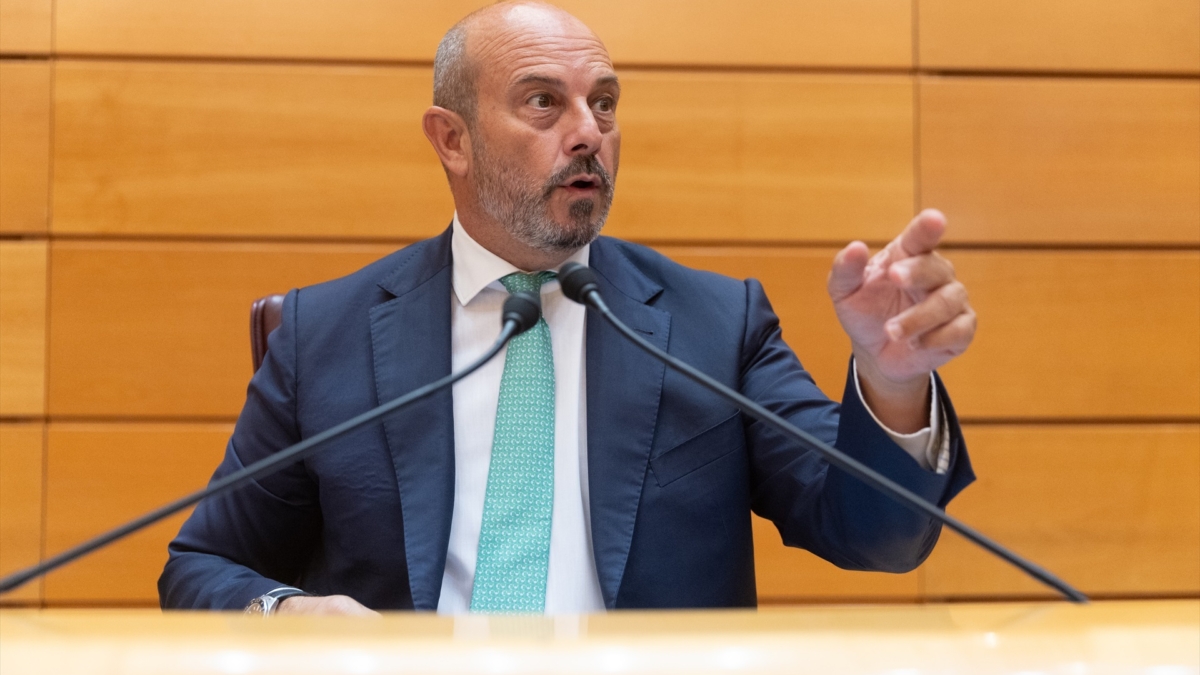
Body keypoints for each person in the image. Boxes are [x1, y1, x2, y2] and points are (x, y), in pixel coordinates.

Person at [159, 1, 976, 616]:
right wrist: (285, 612)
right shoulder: (321, 335)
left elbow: (879, 536)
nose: (589, 132)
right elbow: (200, 565)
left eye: (606, 103)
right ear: (453, 139)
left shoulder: (714, 325)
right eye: (544, 102)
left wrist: (890, 377)